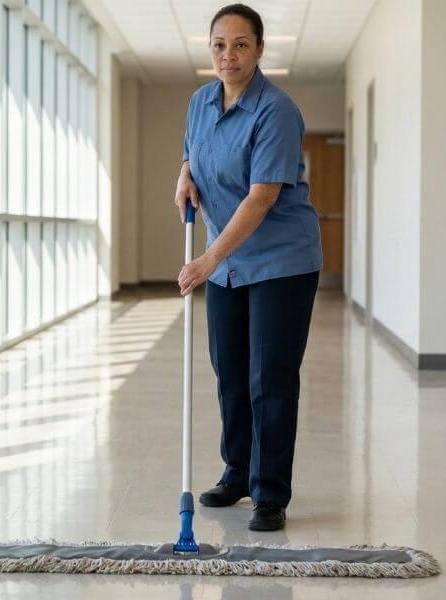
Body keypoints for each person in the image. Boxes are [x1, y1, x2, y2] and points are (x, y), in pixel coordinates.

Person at [174, 3, 322, 531]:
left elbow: (261, 197)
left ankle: (269, 493)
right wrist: (185, 173)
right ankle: (237, 473)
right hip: (227, 265)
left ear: (259, 49)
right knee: (230, 372)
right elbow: (194, 150)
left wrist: (207, 257)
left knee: (269, 378)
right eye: (219, 44)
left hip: (280, 260)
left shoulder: (276, 110)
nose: (228, 55)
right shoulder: (199, 102)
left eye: (241, 44)